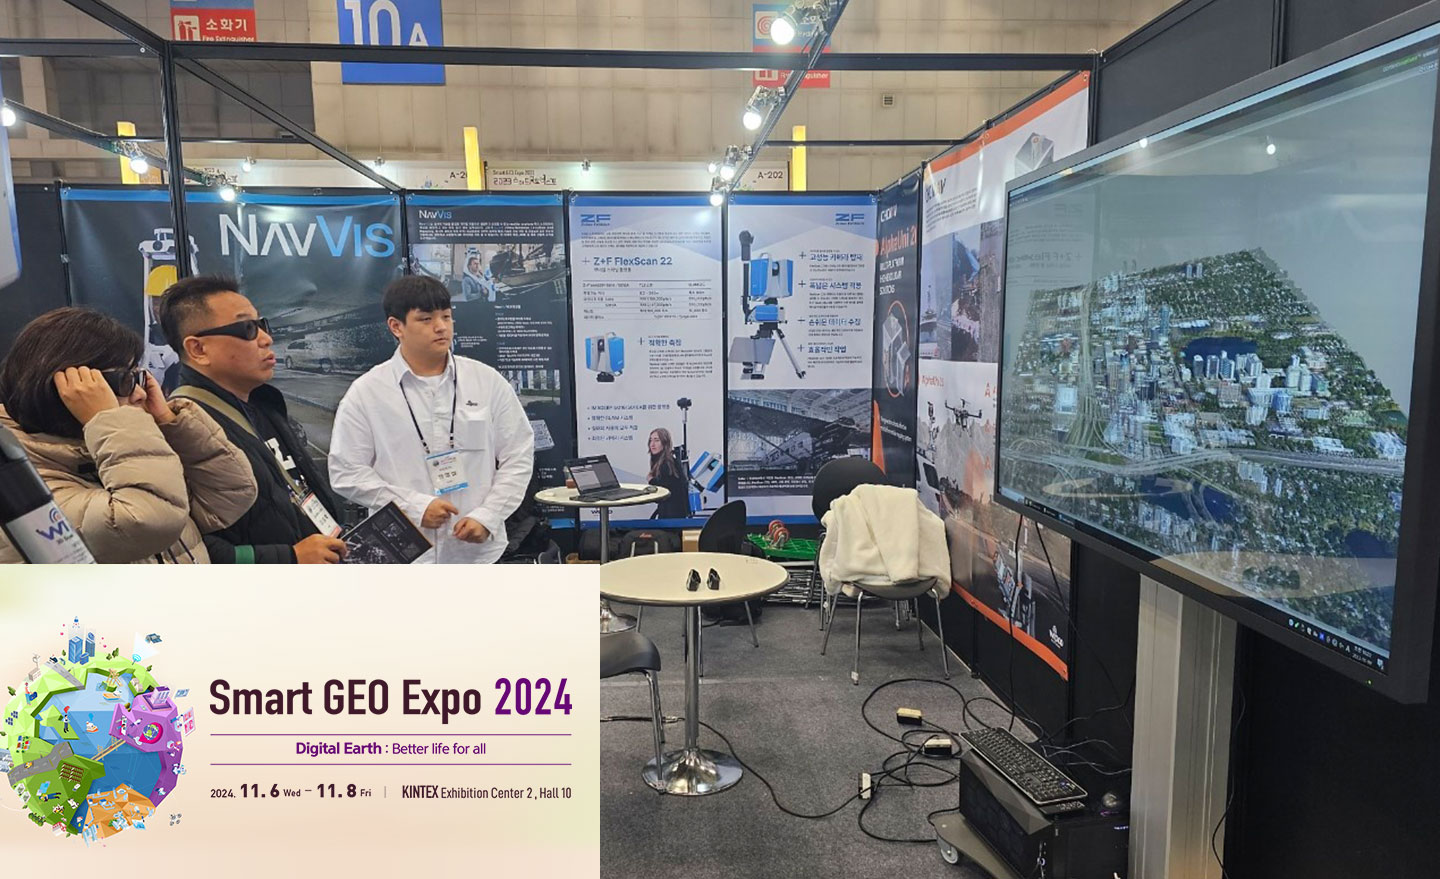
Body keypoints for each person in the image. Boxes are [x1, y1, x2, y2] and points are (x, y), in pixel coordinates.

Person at [0, 307, 257, 564]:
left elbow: (231, 493)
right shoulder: (19, 486)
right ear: (64, 392)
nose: (141, 393)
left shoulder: (111, 450)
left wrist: (170, 421)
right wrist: (109, 419)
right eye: (125, 380)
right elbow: (147, 521)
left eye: (139, 377)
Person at [328, 276, 534, 563]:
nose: (441, 327)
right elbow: (346, 471)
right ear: (396, 326)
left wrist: (489, 515)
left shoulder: (486, 382)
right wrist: (412, 507)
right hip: (403, 555)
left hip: (477, 553)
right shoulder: (368, 392)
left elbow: (518, 455)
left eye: (446, 316)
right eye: (426, 319)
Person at [156, 275, 348, 564]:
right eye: (247, 328)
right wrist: (289, 558)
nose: (266, 339)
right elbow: (186, 547)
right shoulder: (180, 427)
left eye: (262, 325)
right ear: (198, 349)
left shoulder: (262, 403)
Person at [646, 428, 691, 519]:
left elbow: (665, 490)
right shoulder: (664, 462)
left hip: (671, 516)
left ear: (665, 443)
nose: (652, 444)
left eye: (656, 440)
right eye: (651, 440)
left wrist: (651, 480)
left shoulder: (667, 464)